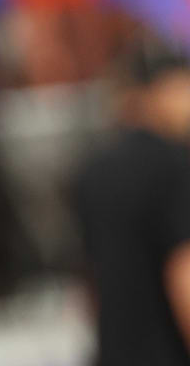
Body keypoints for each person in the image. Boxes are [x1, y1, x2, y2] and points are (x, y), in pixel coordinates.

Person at [75, 38, 190, 366]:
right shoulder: (176, 164)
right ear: (160, 91)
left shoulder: (93, 171)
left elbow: (90, 279)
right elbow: (184, 271)